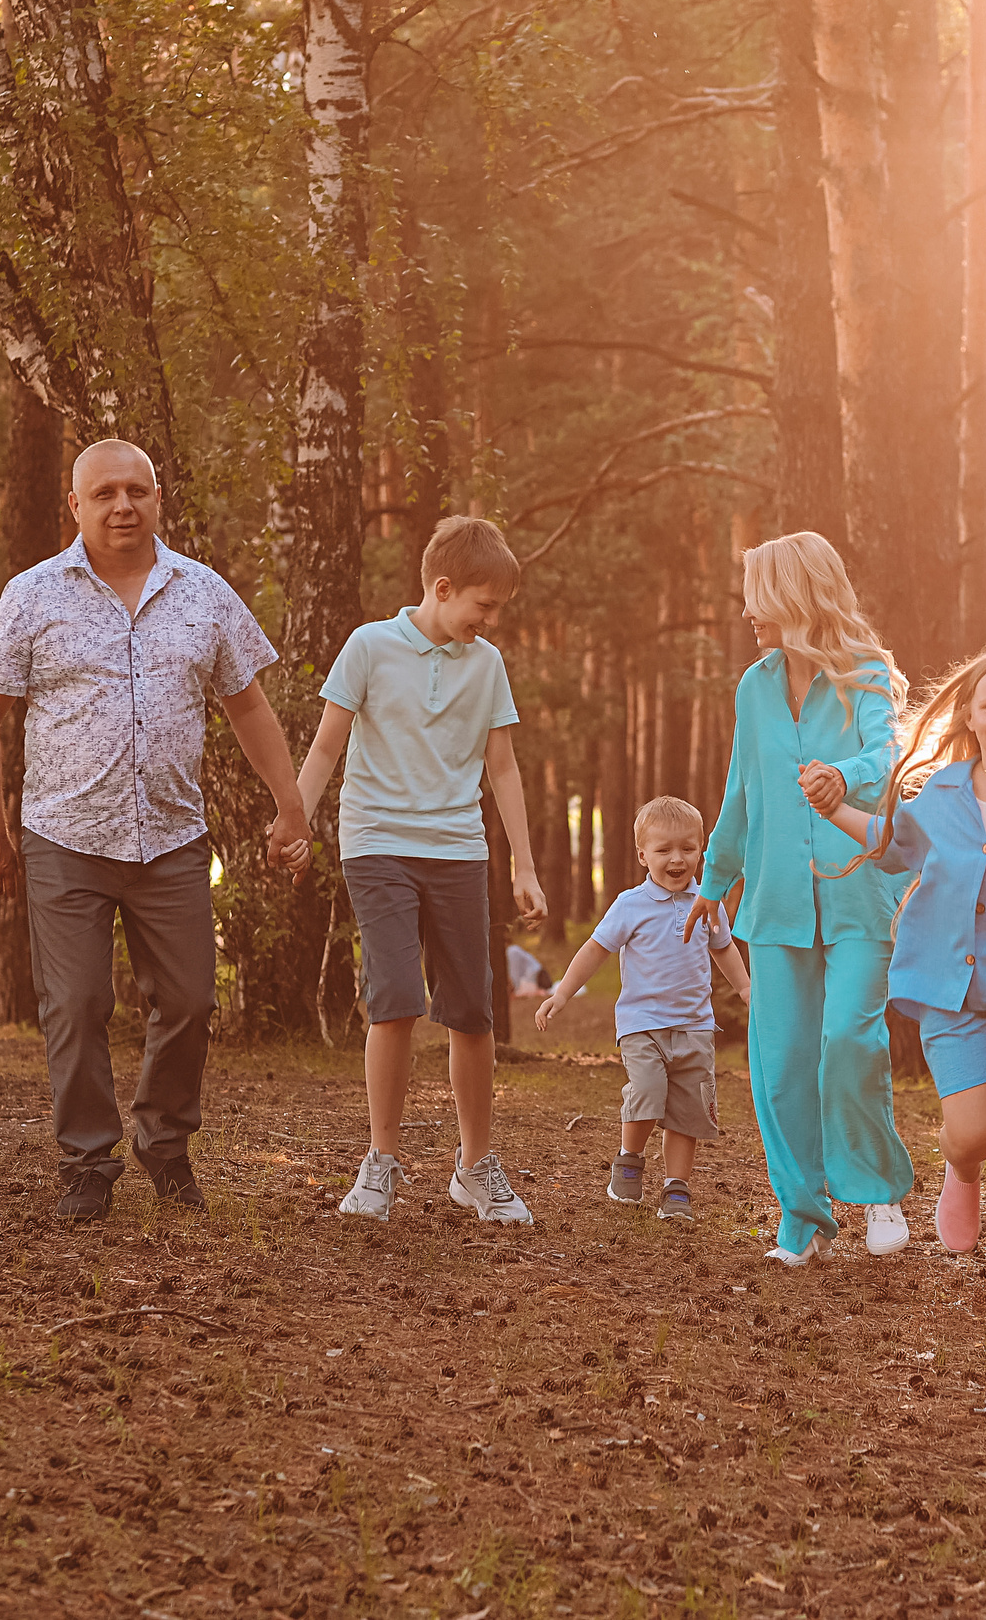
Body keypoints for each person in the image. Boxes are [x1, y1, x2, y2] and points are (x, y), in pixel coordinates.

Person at [0, 439, 312, 1223]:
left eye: (137, 490)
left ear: (158, 498)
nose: (123, 505)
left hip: (171, 837)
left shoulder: (204, 593)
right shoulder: (31, 596)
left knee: (189, 999)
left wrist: (290, 803)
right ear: (75, 506)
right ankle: (87, 1162)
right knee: (77, 1002)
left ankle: (164, 1142)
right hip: (65, 837)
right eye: (105, 493)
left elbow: (249, 706)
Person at [809, 646, 986, 1322]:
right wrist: (834, 810)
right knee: (971, 1131)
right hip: (951, 989)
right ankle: (962, 1168)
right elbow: (892, 845)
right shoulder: (942, 794)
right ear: (969, 715)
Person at [283, 517, 548, 1226]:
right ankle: (380, 1161)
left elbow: (502, 767)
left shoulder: (486, 664)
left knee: (472, 1010)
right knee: (395, 998)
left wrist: (523, 864)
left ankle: (474, 1167)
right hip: (377, 844)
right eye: (484, 606)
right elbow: (326, 747)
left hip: (459, 849)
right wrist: (295, 819)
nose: (491, 621)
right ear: (443, 587)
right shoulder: (369, 646)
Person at [688, 532, 916, 1265]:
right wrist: (713, 881)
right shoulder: (754, 687)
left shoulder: (865, 672)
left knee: (849, 1041)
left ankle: (877, 1189)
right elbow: (741, 788)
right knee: (781, 1064)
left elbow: (890, 756)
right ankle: (804, 1216)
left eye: (758, 597)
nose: (748, 613)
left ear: (796, 596)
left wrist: (845, 776)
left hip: (858, 893)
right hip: (776, 900)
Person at [533, 796, 753, 1222]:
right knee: (649, 1091)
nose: (677, 859)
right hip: (642, 1024)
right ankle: (629, 1158)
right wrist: (562, 994)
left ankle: (676, 1186)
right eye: (664, 849)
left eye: (688, 848)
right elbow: (595, 950)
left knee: (688, 1110)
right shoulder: (629, 904)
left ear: (701, 851)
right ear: (642, 855)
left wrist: (744, 987)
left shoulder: (707, 902)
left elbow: (723, 948)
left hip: (695, 1026)